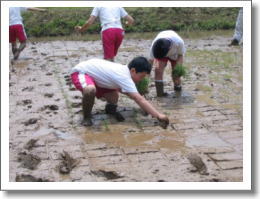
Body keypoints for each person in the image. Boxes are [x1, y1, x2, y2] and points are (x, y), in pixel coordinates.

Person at [70, 56, 169, 128]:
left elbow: (130, 94)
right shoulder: (124, 76)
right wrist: (158, 115)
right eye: (141, 76)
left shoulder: (124, 71)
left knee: (114, 96)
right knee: (90, 90)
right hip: (82, 72)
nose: (141, 80)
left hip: (98, 78)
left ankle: (110, 110)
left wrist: (146, 108)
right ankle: (86, 117)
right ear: (133, 71)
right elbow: (138, 98)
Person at [149, 30, 186, 96]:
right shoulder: (155, 47)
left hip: (175, 53)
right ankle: (160, 94)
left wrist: (178, 69)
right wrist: (145, 78)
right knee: (158, 71)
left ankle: (178, 91)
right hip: (161, 52)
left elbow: (180, 55)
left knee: (176, 74)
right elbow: (150, 63)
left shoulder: (179, 42)